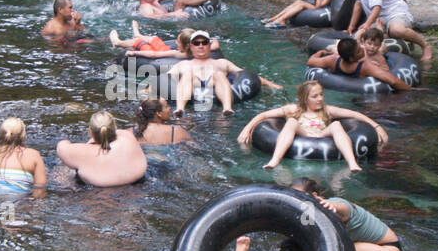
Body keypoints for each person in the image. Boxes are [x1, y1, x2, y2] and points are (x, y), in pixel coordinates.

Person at [237, 80, 388, 172]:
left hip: (321, 136)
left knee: (336, 125)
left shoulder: (327, 110)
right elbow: (263, 116)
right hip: (304, 134)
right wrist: (247, 129)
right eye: (315, 96)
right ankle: (275, 160)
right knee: (291, 122)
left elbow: (355, 115)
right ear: (304, 98)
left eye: (321, 94)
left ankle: (352, 163)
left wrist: (377, 127)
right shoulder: (294, 109)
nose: (320, 99)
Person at [170, 30, 283, 116]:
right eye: (196, 43)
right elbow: (163, 81)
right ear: (191, 46)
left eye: (204, 43)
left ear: (209, 46)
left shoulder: (222, 63)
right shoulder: (183, 64)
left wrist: (270, 84)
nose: (201, 46)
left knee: (218, 74)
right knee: (187, 75)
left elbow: (245, 75)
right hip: (192, 94)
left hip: (218, 93)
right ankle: (180, 108)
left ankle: (227, 108)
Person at [291, 178, 403, 251]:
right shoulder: (306, 215)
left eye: (299, 196)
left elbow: (344, 209)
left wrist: (332, 205)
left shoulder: (334, 204)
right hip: (367, 245)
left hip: (387, 248)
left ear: (314, 195)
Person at [56, 110, 146, 186]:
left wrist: (87, 144)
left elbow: (61, 146)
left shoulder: (82, 152)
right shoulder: (127, 136)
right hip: (137, 188)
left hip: (97, 196)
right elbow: (117, 133)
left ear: (90, 132)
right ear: (115, 127)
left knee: (63, 170)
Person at [306, 34, 419, 92]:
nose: (362, 49)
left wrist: (319, 53)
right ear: (351, 58)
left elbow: (311, 61)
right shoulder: (366, 67)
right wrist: (411, 90)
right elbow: (393, 81)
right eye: (359, 51)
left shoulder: (333, 60)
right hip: (370, 95)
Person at [0, 117, 47, 195]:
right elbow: (40, 188)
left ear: (0, 135)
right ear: (23, 136)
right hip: (18, 200)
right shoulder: (33, 155)